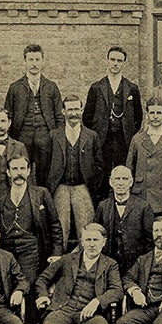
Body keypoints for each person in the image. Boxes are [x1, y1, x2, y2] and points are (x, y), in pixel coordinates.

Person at [0, 155, 63, 286]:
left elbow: (55, 225)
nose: (19, 173)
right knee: (4, 285)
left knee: (28, 285)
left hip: (30, 250)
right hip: (5, 250)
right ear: (8, 172)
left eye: (22, 168)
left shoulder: (41, 194)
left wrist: (56, 253)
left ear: (28, 171)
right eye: (15, 169)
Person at [83, 46, 143, 201]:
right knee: (101, 175)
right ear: (107, 61)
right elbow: (87, 116)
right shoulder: (96, 88)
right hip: (102, 140)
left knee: (122, 173)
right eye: (113, 60)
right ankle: (102, 207)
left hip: (123, 140)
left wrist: (128, 133)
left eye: (119, 61)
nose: (115, 63)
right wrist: (96, 134)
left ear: (124, 64)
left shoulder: (132, 88)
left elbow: (138, 117)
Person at [4, 44, 64, 188]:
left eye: (37, 59)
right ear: (24, 61)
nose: (34, 64)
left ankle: (43, 198)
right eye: (30, 60)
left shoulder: (51, 86)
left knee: (45, 172)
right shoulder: (15, 87)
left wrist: (57, 136)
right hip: (22, 135)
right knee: (21, 170)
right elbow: (8, 114)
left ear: (43, 61)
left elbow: (59, 115)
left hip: (45, 135)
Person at [48, 95, 103, 250]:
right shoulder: (54, 135)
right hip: (61, 187)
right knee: (60, 229)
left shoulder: (91, 136)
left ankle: (85, 260)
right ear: (63, 111)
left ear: (81, 110)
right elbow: (45, 164)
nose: (73, 113)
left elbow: (99, 165)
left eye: (76, 109)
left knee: (86, 228)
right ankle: (59, 260)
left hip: (82, 187)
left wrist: (91, 186)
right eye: (70, 109)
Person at [125, 97, 162, 215]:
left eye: (159, 113)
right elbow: (129, 170)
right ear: (147, 115)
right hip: (141, 196)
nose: (155, 116)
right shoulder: (137, 139)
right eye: (152, 113)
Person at [93, 166, 154, 277]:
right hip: (109, 264)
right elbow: (96, 235)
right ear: (111, 182)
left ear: (131, 182)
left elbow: (149, 241)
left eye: (124, 179)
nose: (120, 183)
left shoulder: (143, 207)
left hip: (135, 265)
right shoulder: (103, 206)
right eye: (117, 179)